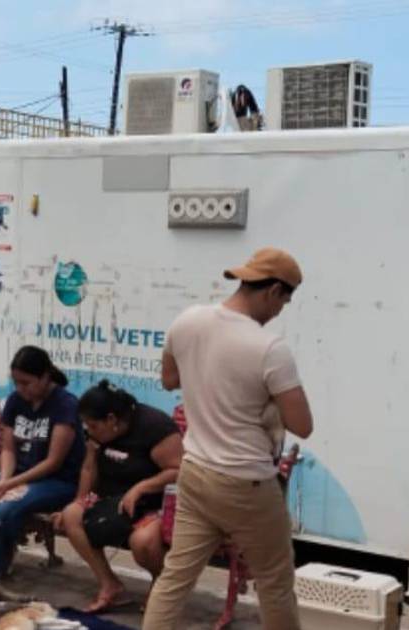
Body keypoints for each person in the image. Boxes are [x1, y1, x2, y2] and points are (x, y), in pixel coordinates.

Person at [143, 247, 315, 630]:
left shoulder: (187, 321)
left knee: (175, 578)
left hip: (195, 472)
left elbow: (169, 380)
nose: (279, 312)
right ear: (273, 290)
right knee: (275, 582)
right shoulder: (269, 349)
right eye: (283, 302)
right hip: (246, 481)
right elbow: (302, 425)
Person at [54, 380, 183, 613]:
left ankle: (160, 584)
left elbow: (178, 470)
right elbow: (88, 469)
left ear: (112, 419)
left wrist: (142, 487)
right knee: (71, 514)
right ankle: (109, 584)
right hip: (112, 500)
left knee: (143, 542)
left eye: (93, 426)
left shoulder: (154, 427)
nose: (89, 431)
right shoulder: (97, 434)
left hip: (153, 503)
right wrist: (79, 498)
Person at [0, 346, 85, 580]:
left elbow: (53, 462)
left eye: (26, 383)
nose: (20, 388)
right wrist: (5, 480)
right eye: (16, 382)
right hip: (18, 474)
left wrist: (10, 485)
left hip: (56, 480)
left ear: (45, 377)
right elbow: (8, 448)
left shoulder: (65, 405)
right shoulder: (16, 401)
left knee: (2, 509)